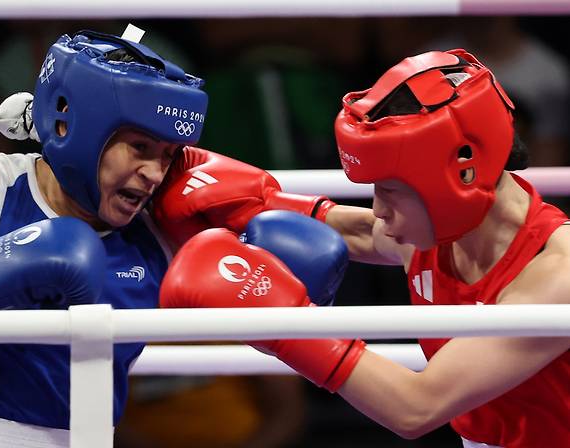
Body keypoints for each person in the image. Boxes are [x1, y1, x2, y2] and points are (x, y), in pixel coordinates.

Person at [0, 26, 340, 447]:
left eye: (168, 156)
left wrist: (312, 265)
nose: (154, 173)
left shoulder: (160, 225)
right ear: (71, 126)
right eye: (139, 148)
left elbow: (278, 313)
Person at [159, 49, 570, 447]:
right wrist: (253, 204)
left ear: (460, 175)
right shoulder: (441, 229)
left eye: (390, 191)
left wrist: (281, 318)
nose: (379, 209)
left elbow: (418, 407)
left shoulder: (555, 276)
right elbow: (360, 231)